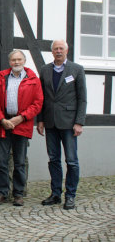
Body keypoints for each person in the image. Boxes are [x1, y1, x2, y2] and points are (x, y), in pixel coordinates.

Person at [37, 39, 87, 210]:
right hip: (50, 122)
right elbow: (41, 97)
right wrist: (41, 120)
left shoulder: (77, 70)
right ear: (52, 52)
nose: (58, 51)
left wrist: (79, 122)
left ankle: (70, 195)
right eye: (55, 49)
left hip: (69, 123)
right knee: (53, 160)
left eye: (61, 48)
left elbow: (82, 98)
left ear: (66, 50)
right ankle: (56, 193)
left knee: (72, 161)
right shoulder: (45, 70)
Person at [0, 50, 43, 206]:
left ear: (24, 61)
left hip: (22, 123)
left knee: (19, 162)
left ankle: (18, 193)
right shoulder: (2, 77)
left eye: (19, 59)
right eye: (13, 60)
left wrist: (21, 118)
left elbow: (38, 103)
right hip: (3, 124)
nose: (16, 62)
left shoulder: (33, 79)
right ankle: (2, 192)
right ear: (9, 62)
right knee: (1, 161)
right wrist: (2, 119)